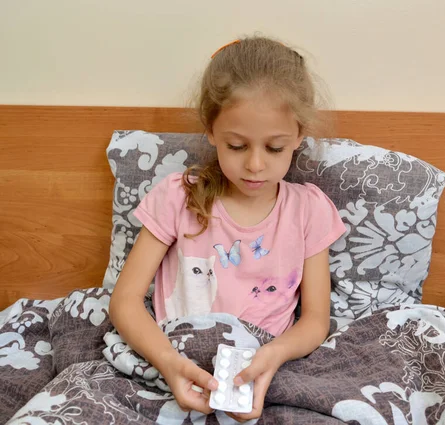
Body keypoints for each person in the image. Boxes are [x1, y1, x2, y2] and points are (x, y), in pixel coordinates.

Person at [108, 36, 345, 422]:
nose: (254, 165)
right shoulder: (178, 197)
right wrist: (168, 362)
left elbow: (316, 320)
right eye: (236, 145)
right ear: (212, 131)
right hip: (175, 354)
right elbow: (124, 301)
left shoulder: (309, 210)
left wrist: (275, 354)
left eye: (274, 148)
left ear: (299, 135)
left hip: (266, 362)